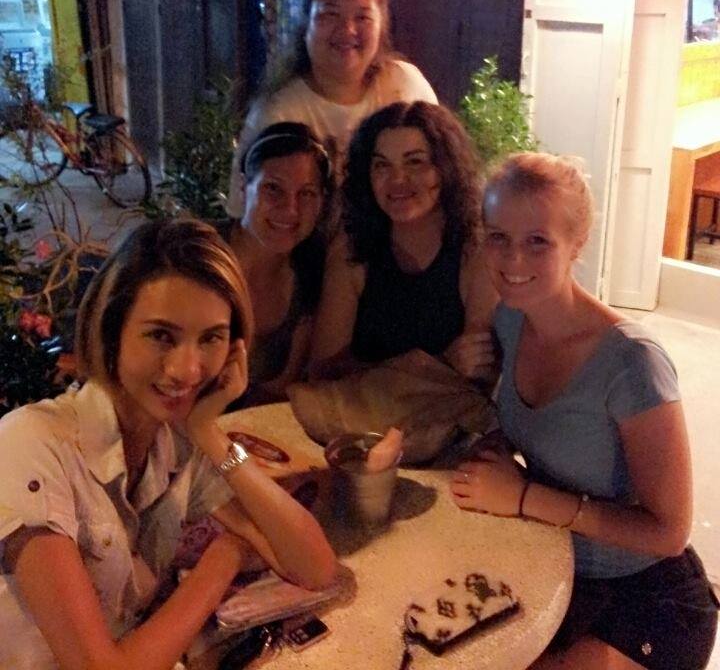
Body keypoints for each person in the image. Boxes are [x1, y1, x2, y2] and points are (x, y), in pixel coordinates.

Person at [0, 219, 337, 670]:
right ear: (113, 332)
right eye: (161, 335)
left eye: (211, 338)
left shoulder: (175, 437)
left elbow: (315, 567)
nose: (186, 370)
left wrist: (209, 434)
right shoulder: (31, 444)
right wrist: (224, 557)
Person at [450, 153, 718, 670]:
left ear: (577, 243)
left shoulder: (633, 363)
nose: (513, 259)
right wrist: (495, 449)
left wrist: (523, 496)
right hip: (555, 570)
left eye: (537, 241)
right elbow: (538, 430)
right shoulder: (510, 321)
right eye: (498, 237)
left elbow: (669, 533)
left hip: (645, 595)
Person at [226, 0, 437, 217]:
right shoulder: (278, 113)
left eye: (363, 17)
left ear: (382, 27)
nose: (347, 29)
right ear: (306, 26)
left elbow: (447, 174)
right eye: (330, 15)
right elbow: (244, 215)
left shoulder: (405, 84)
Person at [309, 101, 497, 385]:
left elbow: (480, 371)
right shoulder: (352, 247)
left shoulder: (476, 249)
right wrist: (437, 364)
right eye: (382, 165)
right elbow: (322, 370)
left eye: (415, 162)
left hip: (448, 411)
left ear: (446, 169)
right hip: (362, 410)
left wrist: (384, 371)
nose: (397, 179)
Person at [218, 122, 333, 405]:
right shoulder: (197, 257)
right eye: (273, 188)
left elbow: (279, 391)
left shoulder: (308, 271)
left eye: (306, 193)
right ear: (243, 187)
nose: (291, 209)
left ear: (322, 201)